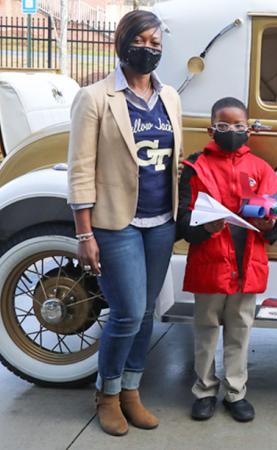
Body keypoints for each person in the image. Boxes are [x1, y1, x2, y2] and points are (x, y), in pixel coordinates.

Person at [67, 10, 182, 436]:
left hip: (161, 221)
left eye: (155, 43)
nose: (148, 49)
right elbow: (80, 169)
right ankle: (107, 393)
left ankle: (132, 390)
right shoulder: (95, 97)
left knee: (147, 312)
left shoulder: (169, 96)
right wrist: (84, 232)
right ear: (122, 42)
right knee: (128, 313)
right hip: (117, 223)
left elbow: (172, 159)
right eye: (140, 41)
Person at [177, 97, 277, 423]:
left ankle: (236, 392)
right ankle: (205, 390)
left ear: (249, 130)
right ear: (211, 130)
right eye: (223, 126)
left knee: (240, 330)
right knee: (206, 330)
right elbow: (183, 222)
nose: (232, 131)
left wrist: (270, 224)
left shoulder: (261, 169)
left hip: (247, 265)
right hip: (210, 264)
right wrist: (203, 227)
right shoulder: (195, 168)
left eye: (239, 125)